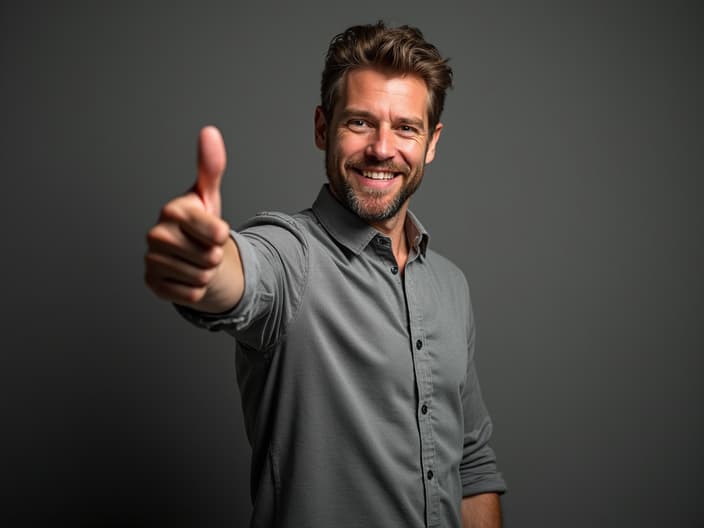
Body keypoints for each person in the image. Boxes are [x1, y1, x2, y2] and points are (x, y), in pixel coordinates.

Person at [145, 21, 506, 528]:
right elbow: (244, 273)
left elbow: (470, 463)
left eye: (405, 127)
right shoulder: (291, 255)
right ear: (322, 128)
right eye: (360, 123)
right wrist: (203, 265)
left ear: (431, 142)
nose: (383, 148)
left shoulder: (451, 285)